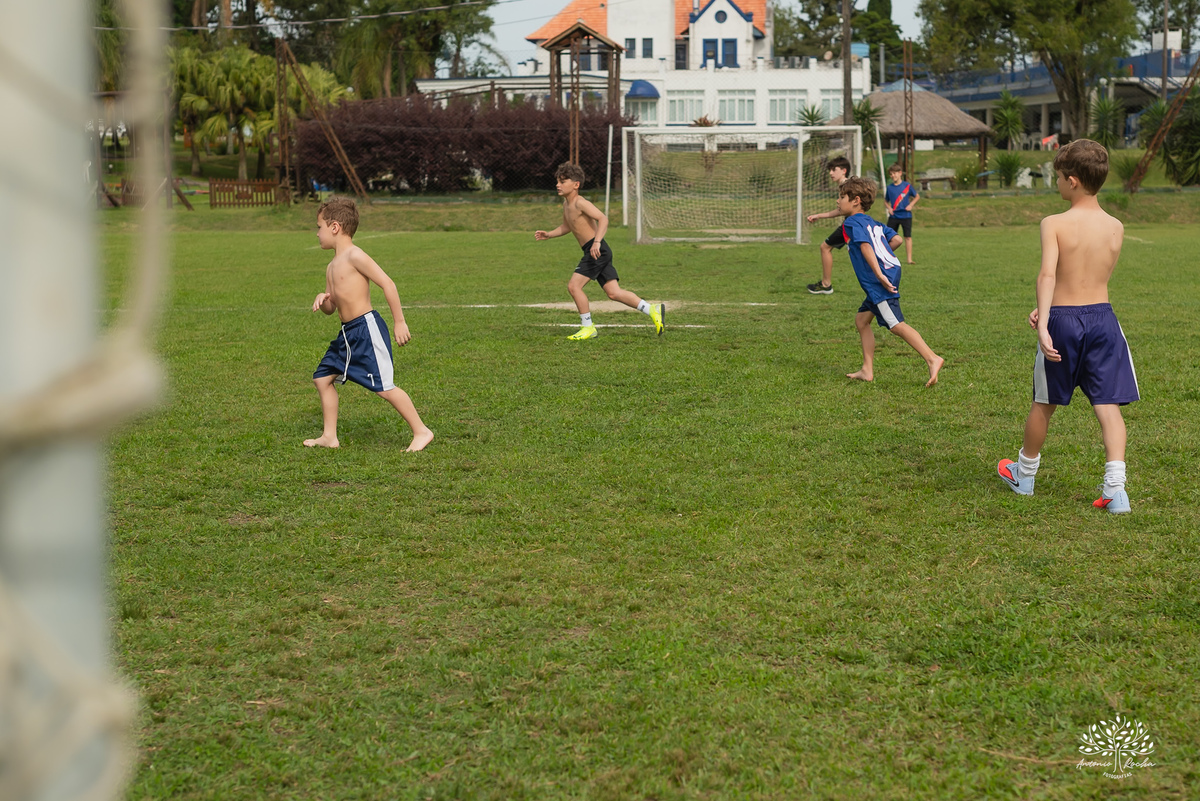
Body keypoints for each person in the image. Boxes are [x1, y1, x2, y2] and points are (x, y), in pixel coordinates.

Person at [997, 139, 1137, 513]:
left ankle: (1023, 474)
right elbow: (1091, 277)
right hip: (1104, 320)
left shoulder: (1054, 223)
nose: (1055, 183)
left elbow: (1048, 274)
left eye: (1058, 177)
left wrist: (1046, 320)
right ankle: (1116, 490)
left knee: (1044, 402)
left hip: (1062, 323)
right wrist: (1043, 308)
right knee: (1108, 406)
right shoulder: (1116, 226)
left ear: (1072, 180)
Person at [305, 196, 434, 452]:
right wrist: (323, 299)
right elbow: (332, 310)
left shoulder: (355, 255)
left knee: (384, 387)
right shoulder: (331, 267)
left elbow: (387, 283)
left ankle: (422, 431)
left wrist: (399, 321)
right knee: (322, 378)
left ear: (334, 227)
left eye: (319, 227)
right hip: (346, 334)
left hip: (366, 329)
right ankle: (329, 437)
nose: (317, 234)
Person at [535, 162, 664, 340]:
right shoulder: (566, 205)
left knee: (574, 286)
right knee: (614, 293)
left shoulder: (581, 203)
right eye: (557, 181)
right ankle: (652, 309)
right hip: (596, 250)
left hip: (596, 250)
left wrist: (596, 242)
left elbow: (603, 219)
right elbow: (567, 226)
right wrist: (549, 234)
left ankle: (588, 327)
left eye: (563, 181)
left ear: (576, 184)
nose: (558, 185)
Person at [837, 177, 944, 387]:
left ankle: (933, 358)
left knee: (895, 324)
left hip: (879, 280)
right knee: (862, 321)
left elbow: (866, 246)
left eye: (841, 197)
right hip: (890, 271)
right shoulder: (873, 222)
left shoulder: (850, 223)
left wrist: (878, 274)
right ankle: (867, 370)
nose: (838, 201)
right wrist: (883, 257)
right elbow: (897, 240)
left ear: (855, 200)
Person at [805, 156, 853, 295]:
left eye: (834, 170)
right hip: (851, 223)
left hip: (851, 224)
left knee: (825, 247)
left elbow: (843, 210)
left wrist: (818, 215)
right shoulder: (846, 185)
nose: (830, 173)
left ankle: (826, 284)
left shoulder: (847, 186)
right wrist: (819, 215)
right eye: (830, 170)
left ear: (844, 170)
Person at [884, 162, 919, 264]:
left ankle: (909, 259)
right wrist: (889, 208)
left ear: (900, 173)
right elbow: (886, 201)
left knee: (907, 237)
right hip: (894, 216)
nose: (892, 176)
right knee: (888, 237)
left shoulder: (907, 186)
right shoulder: (889, 188)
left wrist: (911, 205)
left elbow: (917, 196)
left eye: (894, 173)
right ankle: (886, 257)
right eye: (890, 174)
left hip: (906, 216)